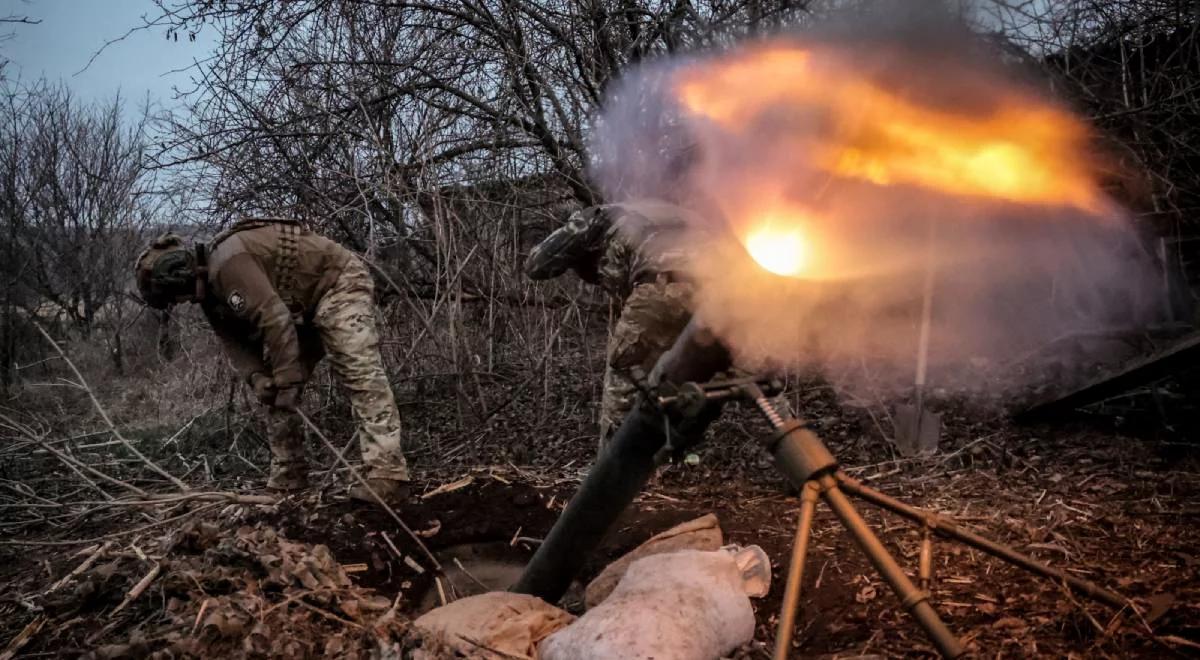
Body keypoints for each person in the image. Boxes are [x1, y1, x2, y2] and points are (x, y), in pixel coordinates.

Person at [134, 218, 411, 501]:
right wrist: (258, 377)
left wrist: (288, 381)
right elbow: (236, 343)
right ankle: (288, 475)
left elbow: (275, 320)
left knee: (359, 372)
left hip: (336, 283)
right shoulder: (209, 293)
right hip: (298, 308)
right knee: (275, 390)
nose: (182, 302)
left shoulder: (228, 264)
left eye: (176, 297)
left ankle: (388, 474)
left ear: (177, 276)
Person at [525, 200, 703, 447]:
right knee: (725, 377)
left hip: (665, 289)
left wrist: (573, 235)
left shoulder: (598, 216)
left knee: (625, 374)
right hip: (731, 293)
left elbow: (536, 265)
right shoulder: (675, 213)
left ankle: (613, 476)